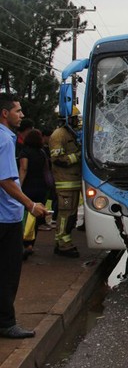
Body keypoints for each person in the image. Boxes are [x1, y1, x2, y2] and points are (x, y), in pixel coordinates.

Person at [0, 93, 48, 339]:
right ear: (4, 113)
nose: (22, 115)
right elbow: (6, 180)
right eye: (17, 111)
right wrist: (31, 205)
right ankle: (6, 323)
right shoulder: (6, 140)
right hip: (6, 217)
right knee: (8, 272)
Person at [50, 106, 82, 258]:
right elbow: (58, 159)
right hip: (65, 183)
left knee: (71, 215)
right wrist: (78, 156)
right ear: (67, 119)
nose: (77, 121)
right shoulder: (59, 135)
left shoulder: (72, 134)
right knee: (65, 215)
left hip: (73, 182)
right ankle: (63, 245)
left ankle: (62, 242)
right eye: (75, 118)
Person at [18, 129, 52, 259]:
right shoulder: (42, 153)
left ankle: (23, 244)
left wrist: (19, 186)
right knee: (36, 217)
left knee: (25, 216)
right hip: (41, 187)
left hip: (28, 187)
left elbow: (24, 168)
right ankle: (31, 244)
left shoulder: (24, 152)